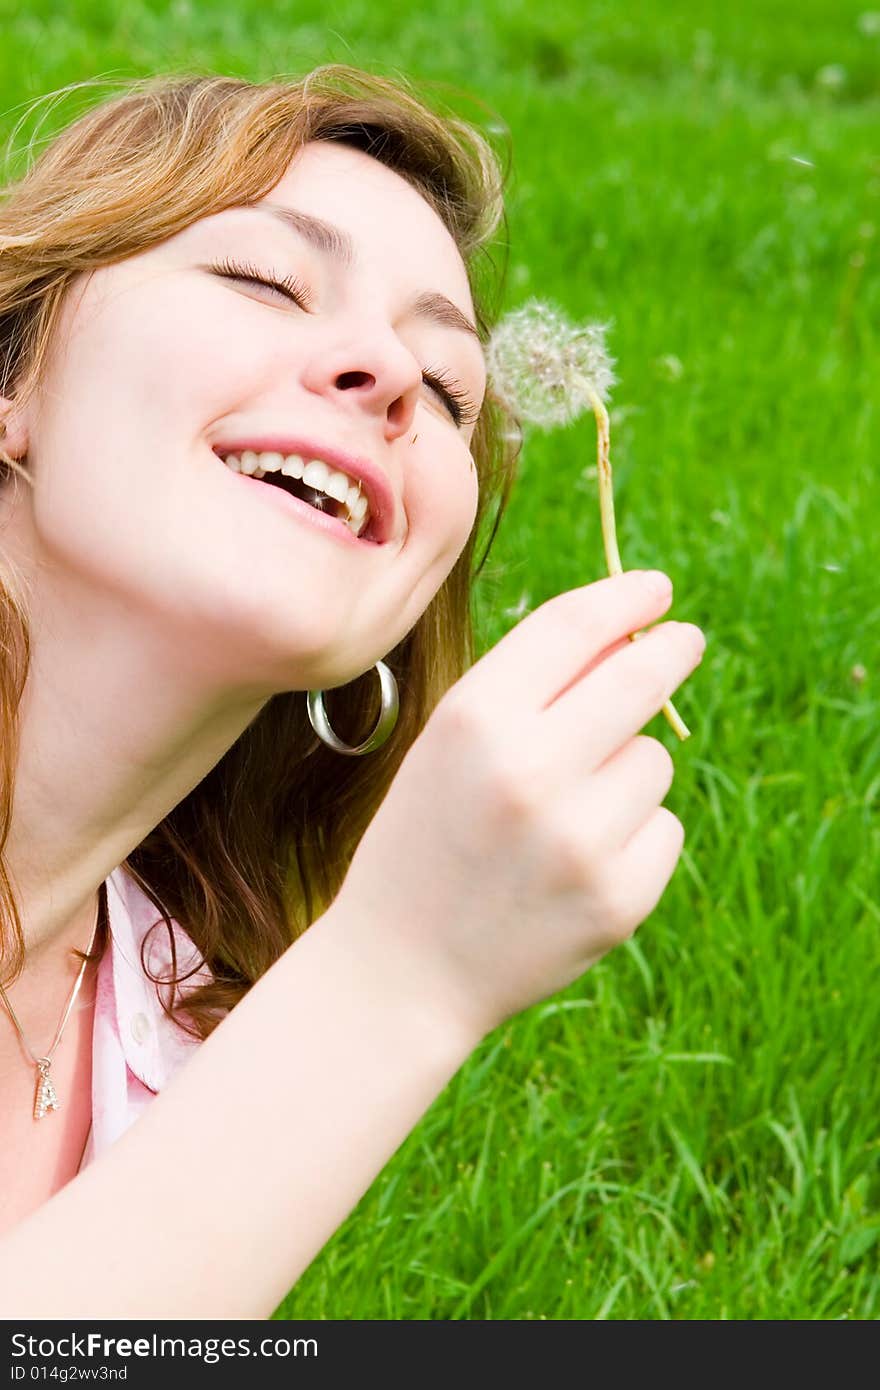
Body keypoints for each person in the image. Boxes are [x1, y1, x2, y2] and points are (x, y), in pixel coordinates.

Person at [0, 66, 705, 1318]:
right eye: (264, 282)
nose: (384, 372)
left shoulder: (166, 1019)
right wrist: (396, 974)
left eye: (447, 390)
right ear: (16, 381)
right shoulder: (319, 1023)